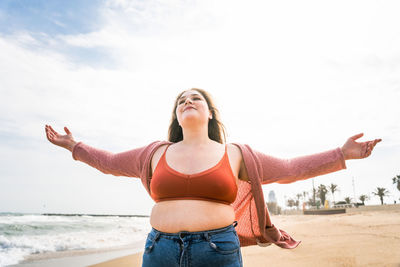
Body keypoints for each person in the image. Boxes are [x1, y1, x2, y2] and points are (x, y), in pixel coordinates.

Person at [44, 88, 381, 267]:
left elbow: (290, 168)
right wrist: (73, 145)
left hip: (216, 250)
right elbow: (109, 162)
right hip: (158, 250)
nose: (188, 102)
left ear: (209, 113)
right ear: (177, 115)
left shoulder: (235, 153)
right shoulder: (155, 153)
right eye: (181, 100)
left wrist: (340, 154)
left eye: (196, 98)